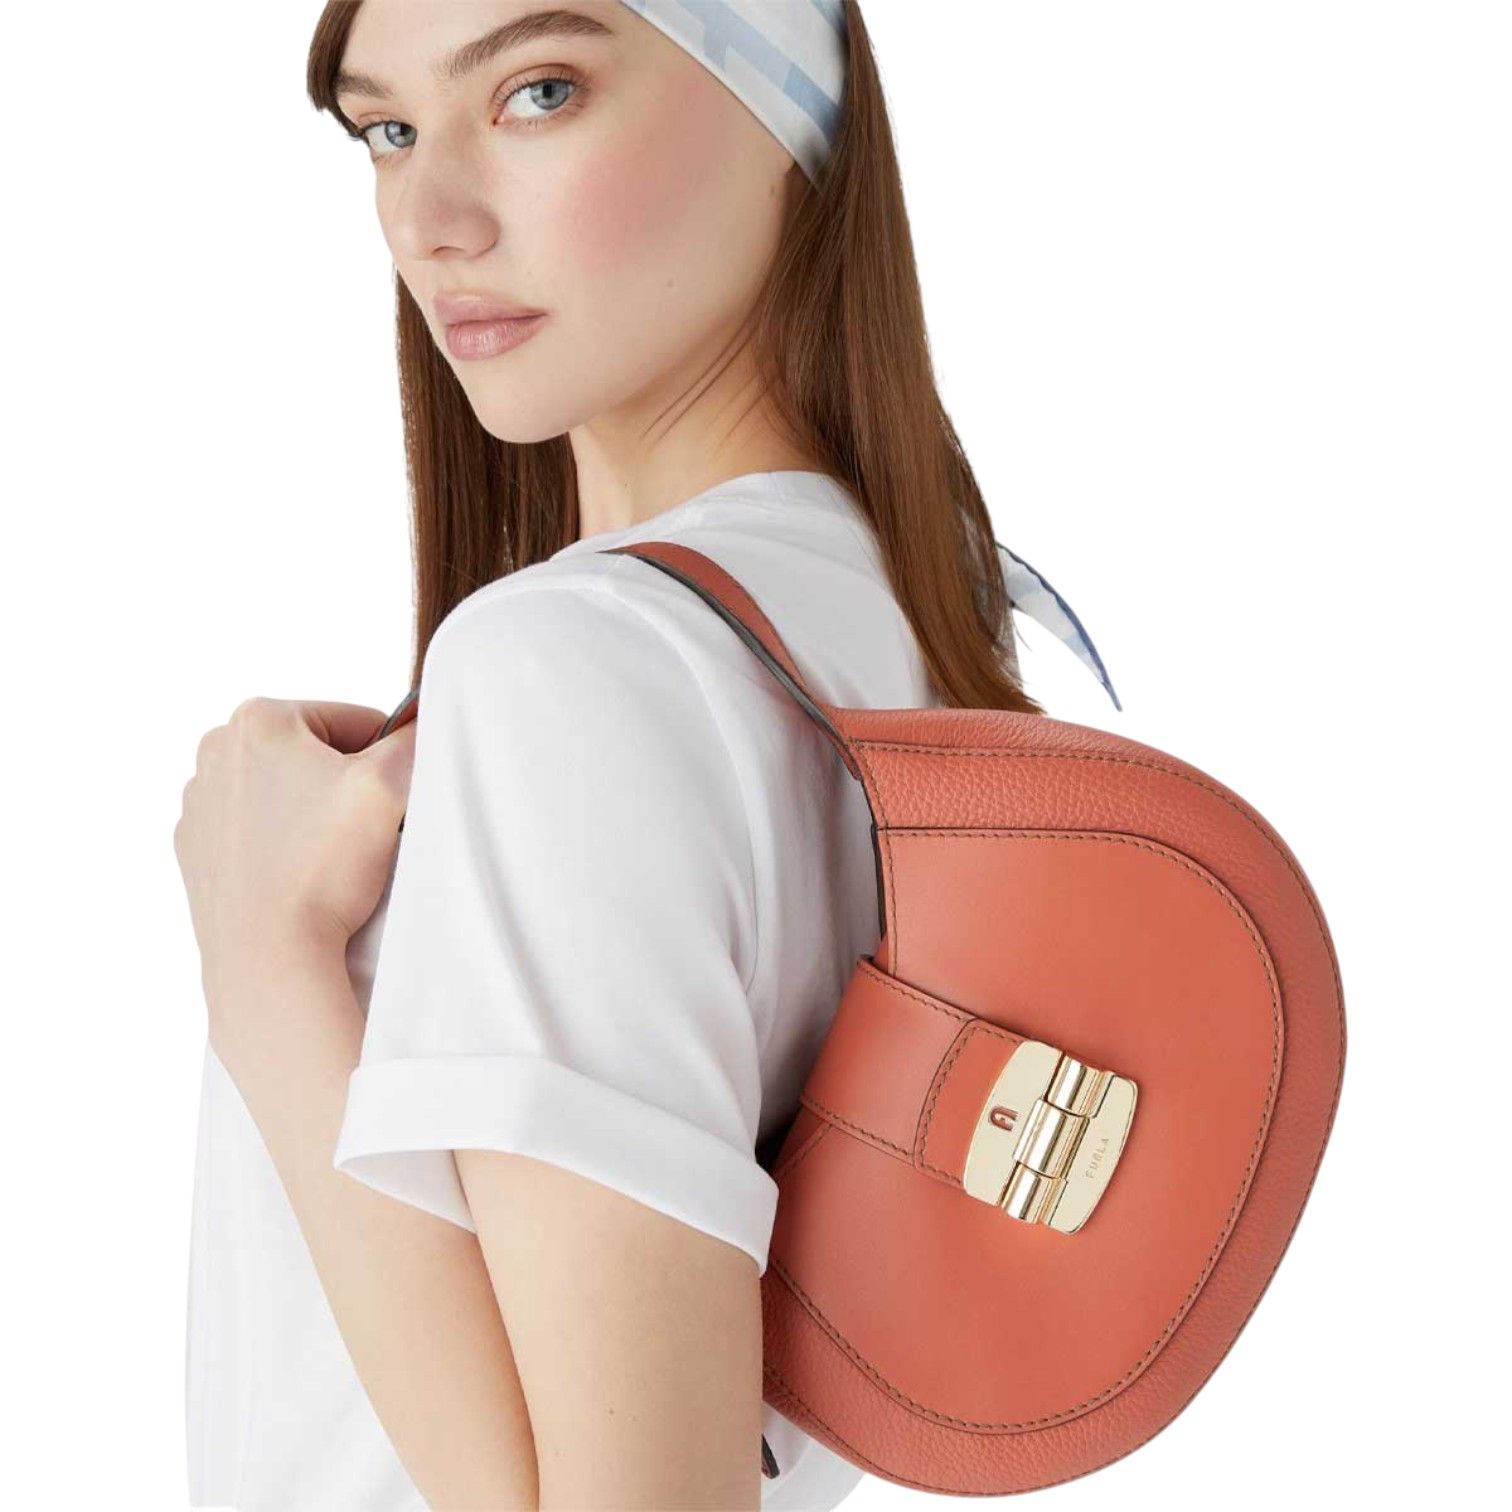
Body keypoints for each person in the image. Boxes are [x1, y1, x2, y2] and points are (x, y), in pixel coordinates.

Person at [174, 3, 1120, 1508]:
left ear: (788, 110)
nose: (430, 220)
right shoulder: (910, 609)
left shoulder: (575, 665)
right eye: (388, 130)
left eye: (539, 93)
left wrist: (266, 965)